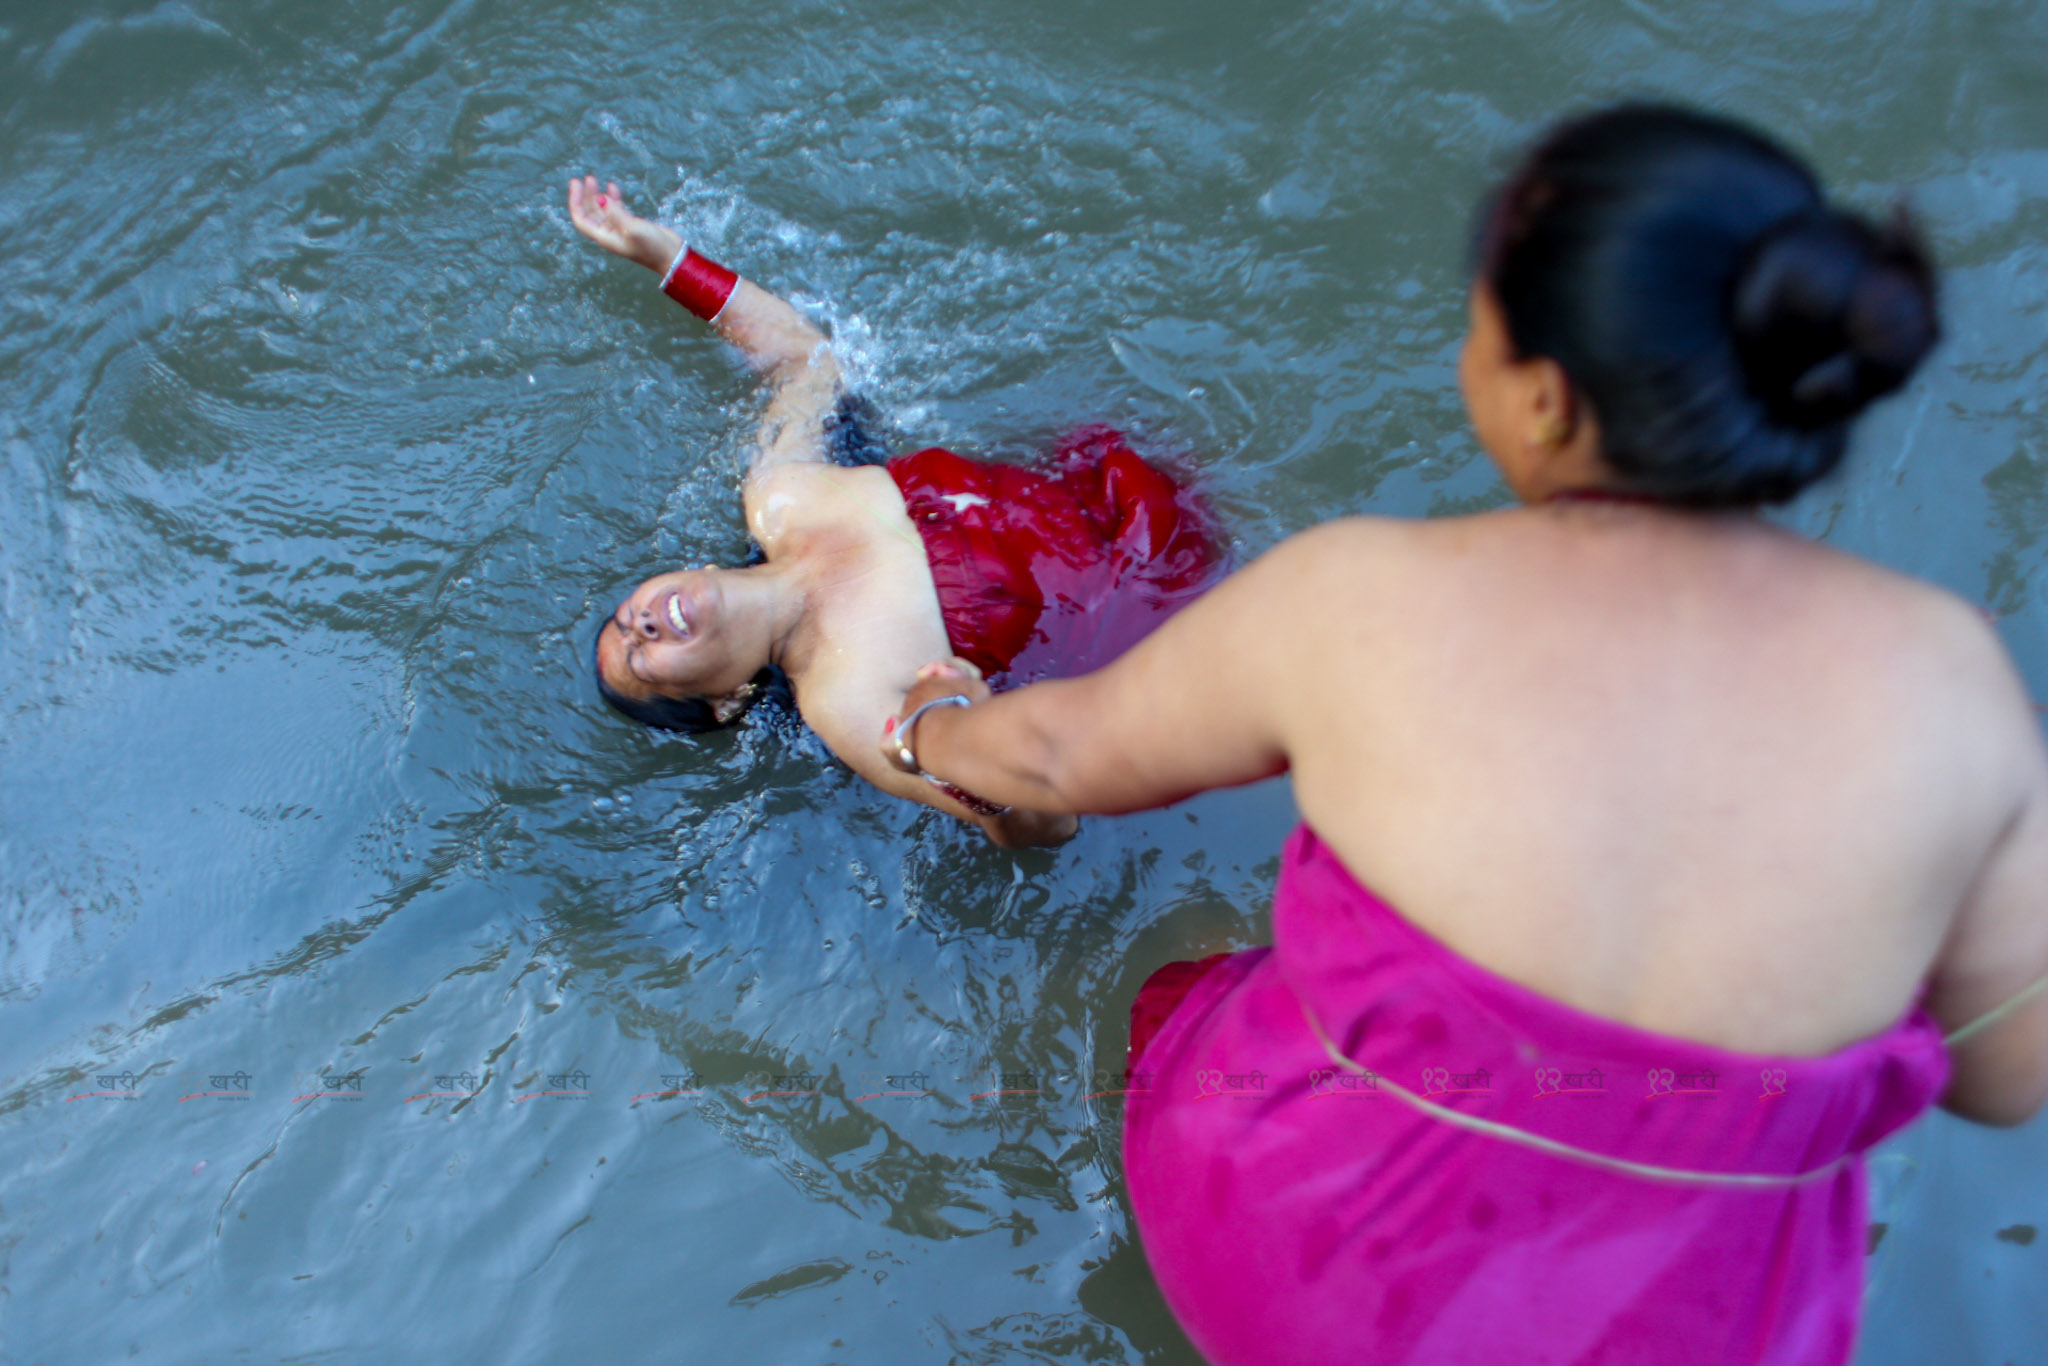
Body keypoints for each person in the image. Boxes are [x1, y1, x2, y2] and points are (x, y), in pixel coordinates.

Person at [882, 105, 2048, 1364]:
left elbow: (1055, 757)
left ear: (1542, 398)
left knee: (1185, 964)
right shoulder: (1956, 693)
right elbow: (2002, 1077)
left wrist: (931, 722)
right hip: (1695, 1328)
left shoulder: (1363, 603)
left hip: (1295, 1274)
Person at [566, 175, 1224, 847]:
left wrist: (665, 258)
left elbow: (805, 362)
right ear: (727, 702)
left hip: (1115, 461)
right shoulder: (849, 706)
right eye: (640, 660)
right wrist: (981, 746)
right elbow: (1046, 827)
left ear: (689, 567)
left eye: (627, 617)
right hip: (1175, 596)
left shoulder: (782, 493)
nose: (642, 626)